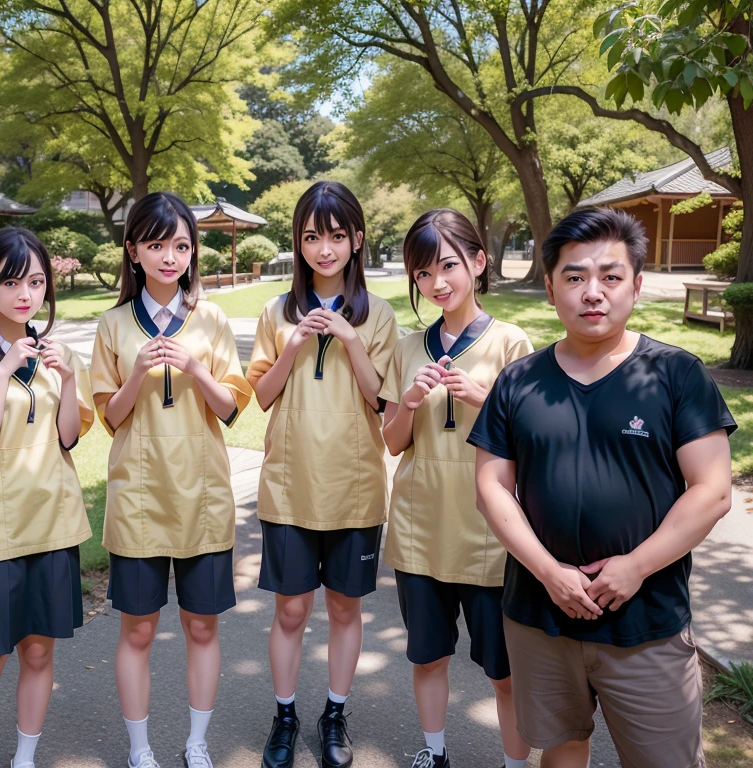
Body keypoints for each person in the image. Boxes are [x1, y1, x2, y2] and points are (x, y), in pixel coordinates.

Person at [470, 207, 735, 768]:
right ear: (549, 288)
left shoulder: (675, 375)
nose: (593, 292)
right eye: (575, 277)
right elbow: (491, 486)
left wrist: (635, 566)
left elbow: (711, 490)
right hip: (540, 616)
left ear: (636, 286)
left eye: (611, 277)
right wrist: (550, 572)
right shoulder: (518, 381)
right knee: (561, 747)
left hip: (648, 621)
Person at [89, 192, 252, 768]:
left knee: (202, 628)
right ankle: (140, 749)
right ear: (132, 250)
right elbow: (109, 418)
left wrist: (197, 369)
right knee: (137, 632)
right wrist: (136, 373)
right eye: (156, 245)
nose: (168, 257)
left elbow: (232, 409)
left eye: (180, 245)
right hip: (138, 497)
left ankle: (197, 743)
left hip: (203, 495)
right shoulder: (112, 324)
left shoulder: (211, 319)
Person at [247, 181, 398, 768]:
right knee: (290, 610)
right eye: (313, 236)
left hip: (355, 487)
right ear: (299, 242)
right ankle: (285, 714)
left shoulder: (378, 315)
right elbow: (259, 396)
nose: (325, 248)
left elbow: (381, 398)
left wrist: (350, 338)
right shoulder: (274, 312)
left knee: (344, 609)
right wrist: (292, 345)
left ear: (357, 240)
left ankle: (335, 712)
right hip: (288, 486)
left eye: (337, 236)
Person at [379, 209, 533, 768]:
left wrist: (482, 395)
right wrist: (413, 402)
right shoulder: (405, 347)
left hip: (490, 538)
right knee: (427, 658)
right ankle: (435, 751)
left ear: (478, 261)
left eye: (447, 265)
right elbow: (393, 441)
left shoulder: (513, 344)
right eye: (422, 273)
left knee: (505, 671)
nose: (436, 282)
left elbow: (534, 442)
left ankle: (516, 763)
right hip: (420, 532)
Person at [0, 227, 94, 768]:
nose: (26, 294)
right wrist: (4, 372)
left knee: (38, 651)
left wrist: (70, 380)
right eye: (11, 282)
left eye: (35, 280)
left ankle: (24, 759)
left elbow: (70, 436)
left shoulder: (62, 353)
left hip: (53, 521)